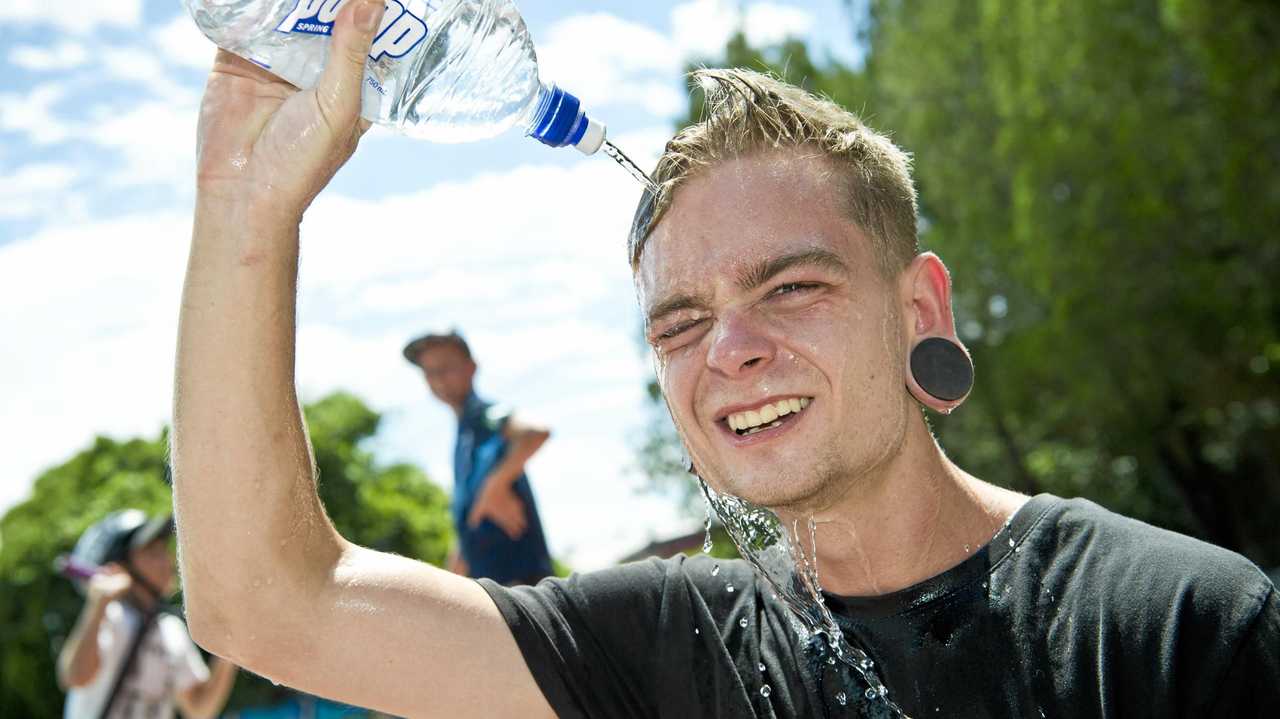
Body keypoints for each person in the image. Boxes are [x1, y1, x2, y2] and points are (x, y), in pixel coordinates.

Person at [171, 3, 1279, 717]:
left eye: (789, 286)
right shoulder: (661, 652)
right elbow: (268, 603)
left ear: (917, 305)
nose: (731, 352)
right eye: (679, 322)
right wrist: (242, 208)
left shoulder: (1172, 629)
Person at [402, 329, 555, 585]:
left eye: (446, 367)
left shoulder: (485, 415)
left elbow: (534, 432)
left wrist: (494, 488)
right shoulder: (464, 435)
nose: (438, 379)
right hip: (488, 590)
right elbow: (471, 519)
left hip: (521, 588)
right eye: (429, 372)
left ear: (471, 368)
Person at [58, 510, 237, 719]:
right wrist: (99, 603)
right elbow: (75, 676)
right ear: (120, 566)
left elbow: (199, 708)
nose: (168, 560)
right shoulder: (111, 617)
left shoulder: (170, 629)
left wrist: (230, 648)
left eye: (164, 549)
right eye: (153, 551)